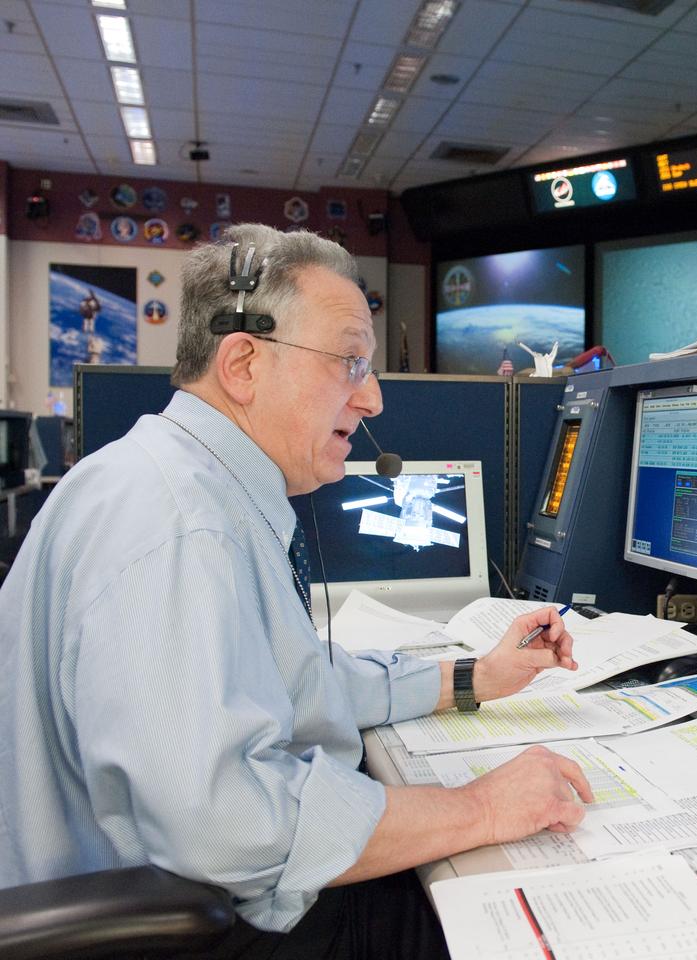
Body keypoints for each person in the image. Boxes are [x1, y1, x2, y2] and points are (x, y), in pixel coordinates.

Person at [0, 224, 593, 959]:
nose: (373, 397)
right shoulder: (182, 527)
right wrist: (481, 806)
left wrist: (472, 676)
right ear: (243, 363)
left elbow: (293, 683)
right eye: (349, 362)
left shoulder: (179, 486)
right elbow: (229, 825)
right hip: (196, 929)